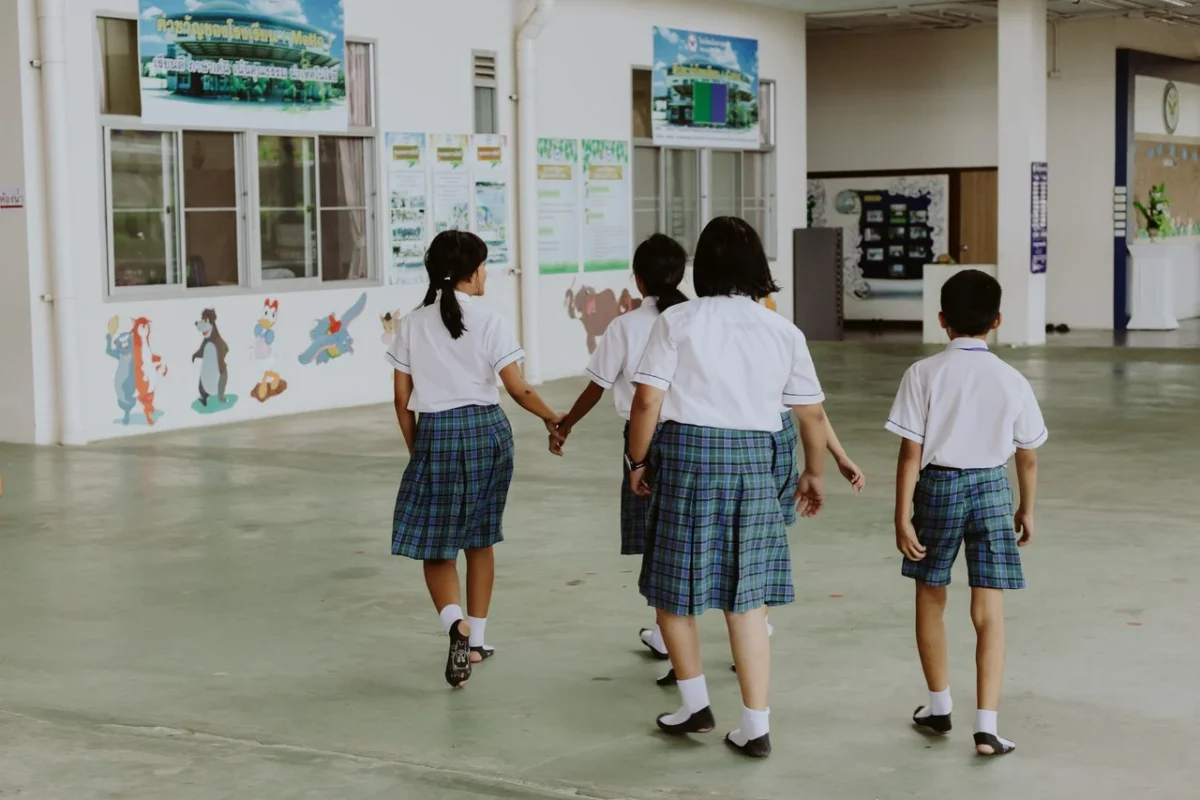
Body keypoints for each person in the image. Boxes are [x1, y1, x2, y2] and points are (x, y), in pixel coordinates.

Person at [626, 216, 830, 759]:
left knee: (674, 588)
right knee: (747, 599)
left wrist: (637, 461)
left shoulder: (678, 320)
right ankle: (755, 725)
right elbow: (809, 414)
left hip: (688, 457)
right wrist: (813, 471)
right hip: (754, 462)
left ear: (703, 266)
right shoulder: (782, 330)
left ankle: (694, 704)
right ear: (758, 267)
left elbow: (647, 402)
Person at [387, 230, 562, 689]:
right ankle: (479, 641)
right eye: (485, 266)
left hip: (438, 433)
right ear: (473, 271)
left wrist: (418, 449)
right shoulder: (489, 319)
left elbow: (401, 397)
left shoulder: (412, 323)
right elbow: (517, 387)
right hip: (488, 432)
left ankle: (455, 625)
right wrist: (552, 418)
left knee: (436, 546)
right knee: (481, 538)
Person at [886, 268, 1047, 757]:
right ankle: (987, 726)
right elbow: (1028, 454)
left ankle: (938, 707)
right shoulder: (1012, 378)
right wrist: (1027, 508)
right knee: (988, 612)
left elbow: (910, 455)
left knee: (931, 597)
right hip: (992, 490)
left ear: (942, 320)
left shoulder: (923, 373)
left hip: (937, 487)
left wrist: (901, 516)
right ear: (996, 321)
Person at [549, 234, 689, 663]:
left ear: (638, 280)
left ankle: (669, 633)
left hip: (643, 438)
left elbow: (597, 386)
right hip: (696, 435)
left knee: (656, 539)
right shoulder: (694, 319)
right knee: (695, 534)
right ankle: (749, 621)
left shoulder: (625, 326)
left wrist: (565, 424)